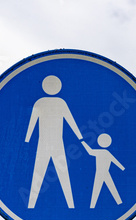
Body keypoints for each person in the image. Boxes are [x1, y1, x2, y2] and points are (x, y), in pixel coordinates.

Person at [25, 75, 83, 209]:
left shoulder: (41, 102)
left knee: (42, 172)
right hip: (52, 142)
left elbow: (70, 120)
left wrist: (27, 139)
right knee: (58, 172)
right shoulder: (58, 103)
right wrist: (80, 137)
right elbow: (71, 121)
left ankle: (32, 205)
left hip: (48, 142)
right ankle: (70, 206)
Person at [81, 133, 125, 209]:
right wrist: (122, 168)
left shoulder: (103, 152)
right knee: (104, 188)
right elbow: (90, 151)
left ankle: (92, 206)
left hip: (103, 173)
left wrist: (83, 142)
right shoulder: (105, 152)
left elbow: (90, 151)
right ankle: (93, 206)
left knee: (97, 189)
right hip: (101, 173)